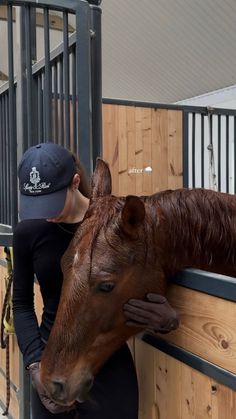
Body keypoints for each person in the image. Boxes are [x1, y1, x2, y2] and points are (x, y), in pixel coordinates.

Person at [13, 142, 179, 419]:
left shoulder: (116, 228)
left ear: (75, 182)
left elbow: (144, 283)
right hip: (51, 361)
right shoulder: (29, 231)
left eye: (52, 201)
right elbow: (21, 304)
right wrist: (33, 364)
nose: (46, 213)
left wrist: (167, 319)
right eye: (36, 204)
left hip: (108, 365)